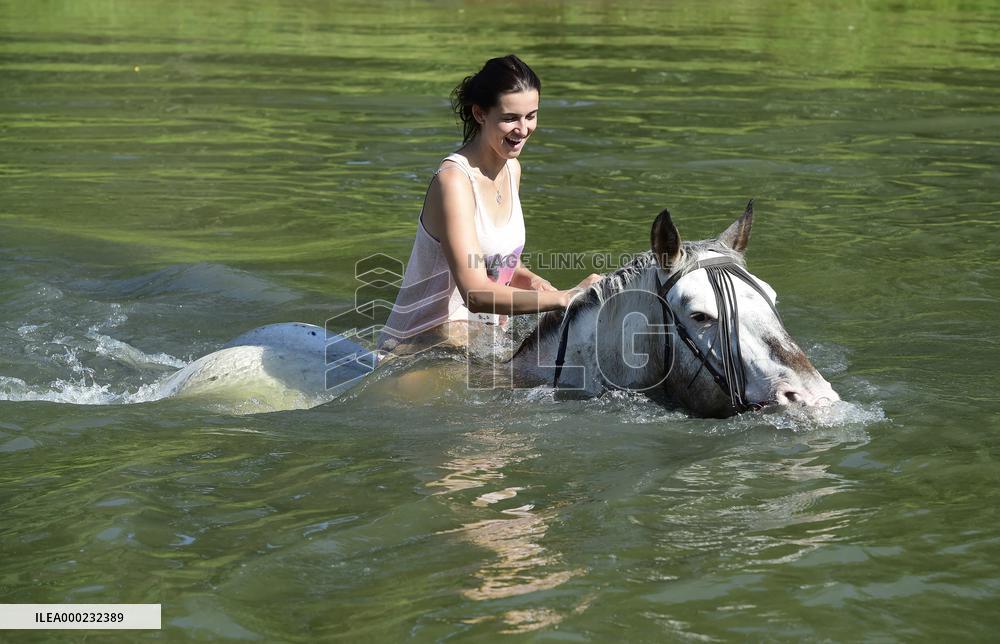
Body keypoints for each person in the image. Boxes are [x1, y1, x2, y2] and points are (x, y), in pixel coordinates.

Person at [378, 54, 602, 355]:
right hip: (419, 351)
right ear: (481, 114)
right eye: (510, 118)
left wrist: (534, 282)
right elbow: (476, 292)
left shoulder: (512, 169)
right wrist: (565, 297)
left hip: (480, 347)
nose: (523, 129)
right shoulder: (454, 182)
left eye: (531, 115)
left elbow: (499, 263)